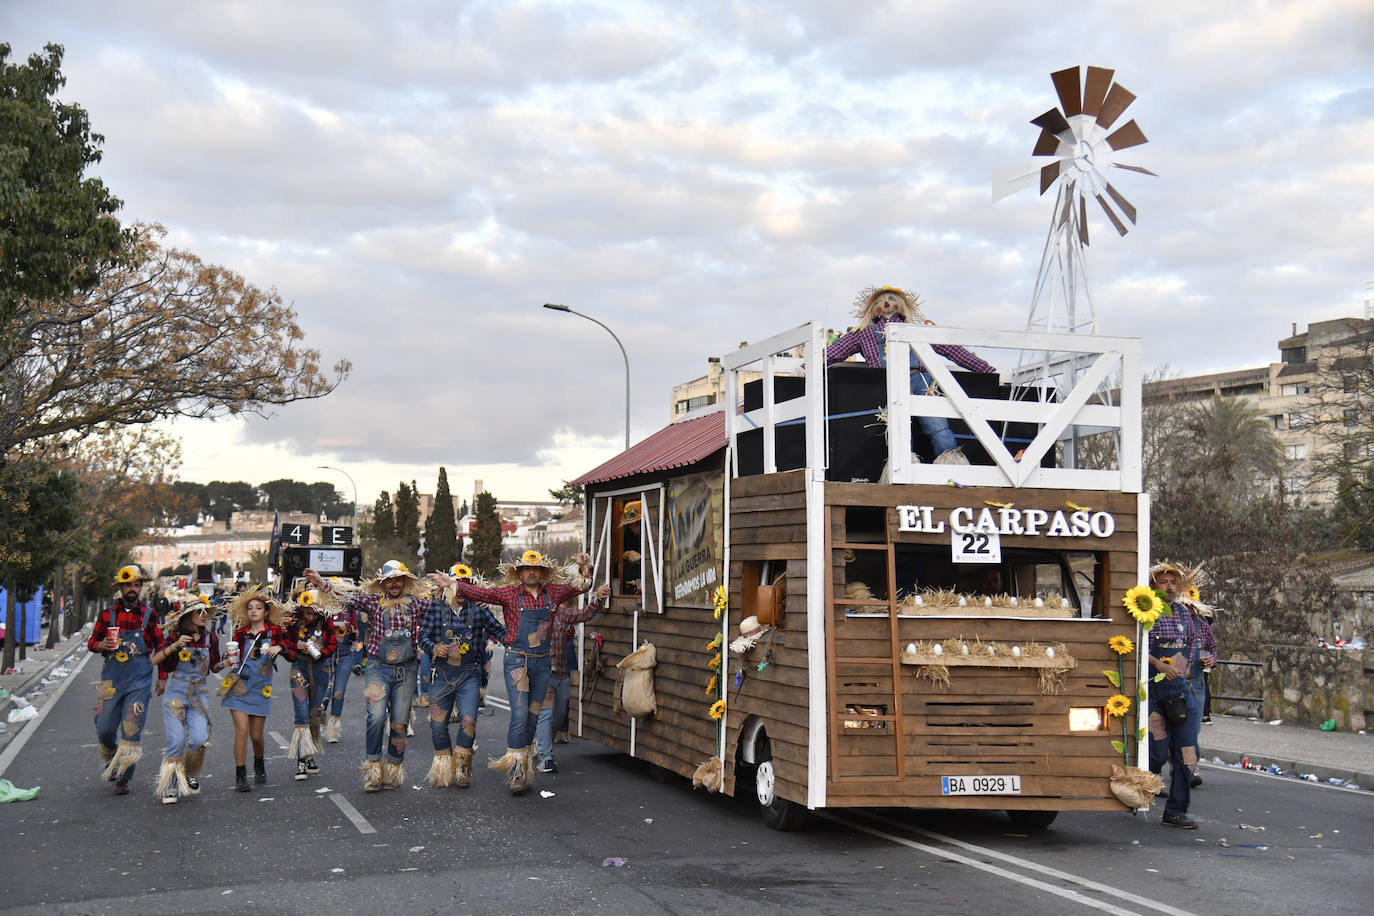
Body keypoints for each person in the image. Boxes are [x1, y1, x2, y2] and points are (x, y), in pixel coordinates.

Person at [437, 550, 605, 794]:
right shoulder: (509, 593)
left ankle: (525, 769)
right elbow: (483, 593)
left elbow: (581, 587)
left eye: (536, 568)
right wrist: (453, 584)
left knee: (533, 717)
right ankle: (516, 773)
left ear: (543, 572)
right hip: (518, 662)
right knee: (519, 715)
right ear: (520, 572)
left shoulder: (553, 593)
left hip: (543, 663)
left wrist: (585, 567)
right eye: (527, 568)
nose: (532, 572)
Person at [304, 560, 441, 792]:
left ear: (405, 582)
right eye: (390, 580)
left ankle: (393, 770)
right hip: (378, 668)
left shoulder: (418, 605)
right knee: (375, 717)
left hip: (406, 671)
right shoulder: (374, 603)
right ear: (383, 583)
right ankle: (374, 769)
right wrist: (321, 583)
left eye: (399, 579)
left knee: (399, 723)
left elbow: (442, 609)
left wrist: (448, 587)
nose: (394, 584)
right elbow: (346, 597)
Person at [825, 285, 997, 465]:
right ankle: (903, 463)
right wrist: (808, 366)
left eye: (892, 299)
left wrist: (985, 369)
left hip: (922, 381)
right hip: (886, 383)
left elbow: (952, 351)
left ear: (901, 304)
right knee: (896, 426)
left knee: (936, 424)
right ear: (872, 308)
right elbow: (835, 351)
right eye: (880, 300)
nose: (886, 303)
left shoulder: (918, 329)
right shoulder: (863, 333)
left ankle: (951, 464)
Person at [418, 563, 507, 788]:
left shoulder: (480, 612)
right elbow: (423, 638)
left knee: (468, 721)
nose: (460, 591)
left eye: (465, 586)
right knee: (438, 725)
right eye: (457, 585)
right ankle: (443, 765)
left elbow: (503, 633)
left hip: (469, 675)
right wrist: (434, 647)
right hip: (441, 675)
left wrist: (524, 636)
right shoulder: (435, 609)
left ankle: (462, 768)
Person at [88, 565, 165, 795]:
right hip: (109, 679)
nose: (133, 589)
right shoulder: (106, 615)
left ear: (141, 587)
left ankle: (123, 776)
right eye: (128, 585)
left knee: (131, 729)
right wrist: (101, 645)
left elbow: (161, 647)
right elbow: (92, 642)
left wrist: (162, 677)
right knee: (104, 728)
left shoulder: (150, 616)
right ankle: (112, 758)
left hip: (139, 680)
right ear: (121, 587)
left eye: (137, 585)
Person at [1146, 561, 1208, 829]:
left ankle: (1176, 811)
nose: (1169, 587)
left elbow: (1195, 645)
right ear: (1154, 585)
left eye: (1173, 583)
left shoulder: (1186, 613)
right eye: (1163, 582)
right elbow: (1137, 647)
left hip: (1182, 695)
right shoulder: (1145, 612)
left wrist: (1185, 666)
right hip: (1155, 696)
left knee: (1188, 755)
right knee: (1157, 753)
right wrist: (1159, 665)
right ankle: (1140, 786)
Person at [221, 587, 294, 793]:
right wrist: (226, 661)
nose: (254, 611)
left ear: (266, 612)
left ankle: (259, 761)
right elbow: (227, 658)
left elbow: (291, 652)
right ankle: (240, 775)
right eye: (250, 608)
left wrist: (280, 648)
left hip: (261, 689)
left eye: (258, 608)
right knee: (242, 731)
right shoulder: (240, 634)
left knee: (256, 736)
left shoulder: (275, 632)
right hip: (239, 686)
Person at [152, 593, 224, 803]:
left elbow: (214, 666)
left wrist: (226, 664)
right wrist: (174, 647)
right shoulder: (175, 637)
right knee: (175, 741)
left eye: (205, 612)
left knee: (200, 740)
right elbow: (156, 659)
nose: (203, 616)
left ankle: (189, 773)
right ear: (188, 615)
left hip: (199, 695)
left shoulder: (212, 638)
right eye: (198, 612)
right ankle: (170, 784)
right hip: (176, 694)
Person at [285, 588, 338, 780]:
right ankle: (301, 760)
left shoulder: (326, 622)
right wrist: (294, 647)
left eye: (315, 612)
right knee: (301, 713)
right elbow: (285, 646)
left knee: (314, 714)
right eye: (308, 611)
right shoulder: (293, 622)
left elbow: (333, 645)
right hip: (298, 671)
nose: (311, 615)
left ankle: (311, 755)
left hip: (321, 671)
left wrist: (322, 650)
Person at [535, 622, 578, 774]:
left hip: (562, 673)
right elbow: (536, 642)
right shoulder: (542, 617)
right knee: (545, 714)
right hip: (546, 674)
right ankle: (546, 757)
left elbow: (567, 638)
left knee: (560, 714)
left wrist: (569, 627)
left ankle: (544, 742)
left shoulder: (563, 616)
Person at [324, 605, 362, 744]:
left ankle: (333, 727)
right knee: (325, 691)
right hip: (327, 652)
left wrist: (354, 635)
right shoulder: (324, 607)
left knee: (338, 692)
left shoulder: (351, 610)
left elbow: (356, 631)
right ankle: (321, 716)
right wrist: (335, 624)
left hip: (346, 653)